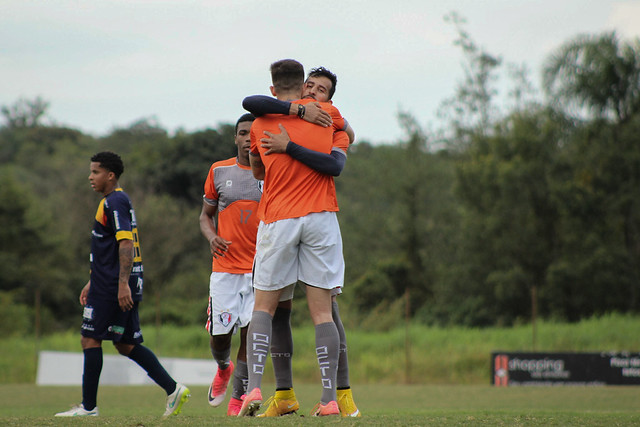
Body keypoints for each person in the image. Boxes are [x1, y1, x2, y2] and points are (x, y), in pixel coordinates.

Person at [243, 66, 360, 418]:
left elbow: (258, 169)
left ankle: (252, 390)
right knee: (322, 311)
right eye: (311, 85)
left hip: (279, 218)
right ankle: (327, 400)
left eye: (321, 89)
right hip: (321, 218)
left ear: (273, 86)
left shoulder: (262, 121)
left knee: (263, 307)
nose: (315, 91)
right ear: (303, 85)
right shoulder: (329, 117)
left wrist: (286, 146)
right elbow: (348, 133)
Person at [55, 151, 190, 418]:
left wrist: (122, 285)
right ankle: (173, 389)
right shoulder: (114, 200)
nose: (90, 177)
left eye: (95, 172)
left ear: (110, 175)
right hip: (109, 281)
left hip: (114, 285)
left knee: (90, 338)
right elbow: (107, 249)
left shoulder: (114, 201)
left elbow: (125, 243)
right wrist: (92, 280)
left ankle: (88, 408)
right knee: (125, 344)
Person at [199, 113, 261, 416]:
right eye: (242, 133)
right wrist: (212, 236)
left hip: (260, 271)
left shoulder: (272, 174)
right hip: (224, 270)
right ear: (235, 138)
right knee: (220, 337)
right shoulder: (219, 171)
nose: (248, 137)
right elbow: (204, 216)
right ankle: (223, 367)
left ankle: (238, 397)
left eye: (253, 133)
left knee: (250, 334)